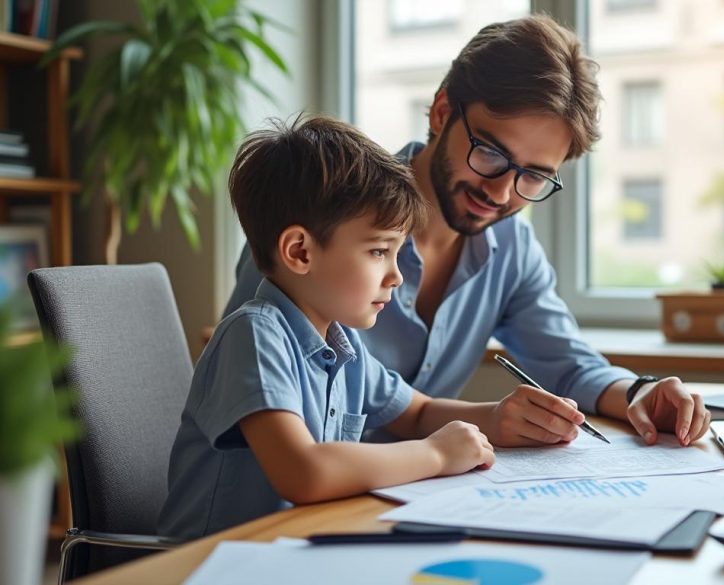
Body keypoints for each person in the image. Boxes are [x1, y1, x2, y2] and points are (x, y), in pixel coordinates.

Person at [224, 15, 711, 449]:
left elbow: (567, 363)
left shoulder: (512, 250)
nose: (501, 192)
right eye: (493, 154)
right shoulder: (317, 218)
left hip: (404, 499)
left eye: (535, 176)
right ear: (441, 114)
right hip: (283, 515)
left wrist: (640, 392)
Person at [159, 117, 587, 541]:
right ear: (299, 251)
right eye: (379, 251)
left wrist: (496, 418)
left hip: (295, 552)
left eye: (398, 253)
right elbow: (304, 473)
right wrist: (436, 454)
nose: (397, 276)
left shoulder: (343, 347)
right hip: (209, 567)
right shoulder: (254, 337)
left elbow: (416, 413)